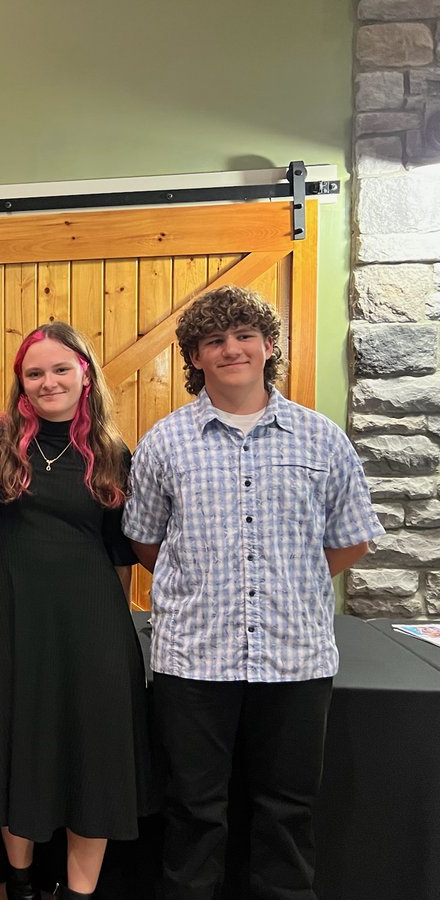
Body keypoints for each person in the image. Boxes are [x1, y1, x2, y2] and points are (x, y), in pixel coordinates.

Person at [123, 285, 383, 899]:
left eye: (244, 336)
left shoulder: (321, 439)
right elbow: (145, 542)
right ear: (194, 359)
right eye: (214, 341)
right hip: (194, 661)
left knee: (287, 816)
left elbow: (351, 539)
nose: (231, 349)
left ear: (269, 346)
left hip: (295, 660)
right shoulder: (165, 442)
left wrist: (292, 578)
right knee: (193, 812)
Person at [0, 324, 154, 900]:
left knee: (93, 759)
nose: (48, 381)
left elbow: (126, 549)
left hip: (93, 628)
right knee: (17, 751)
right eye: (34, 373)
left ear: (85, 373)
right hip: (15, 624)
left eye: (60, 369)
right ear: (20, 383)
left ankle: (79, 895)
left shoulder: (112, 453)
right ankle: (22, 887)